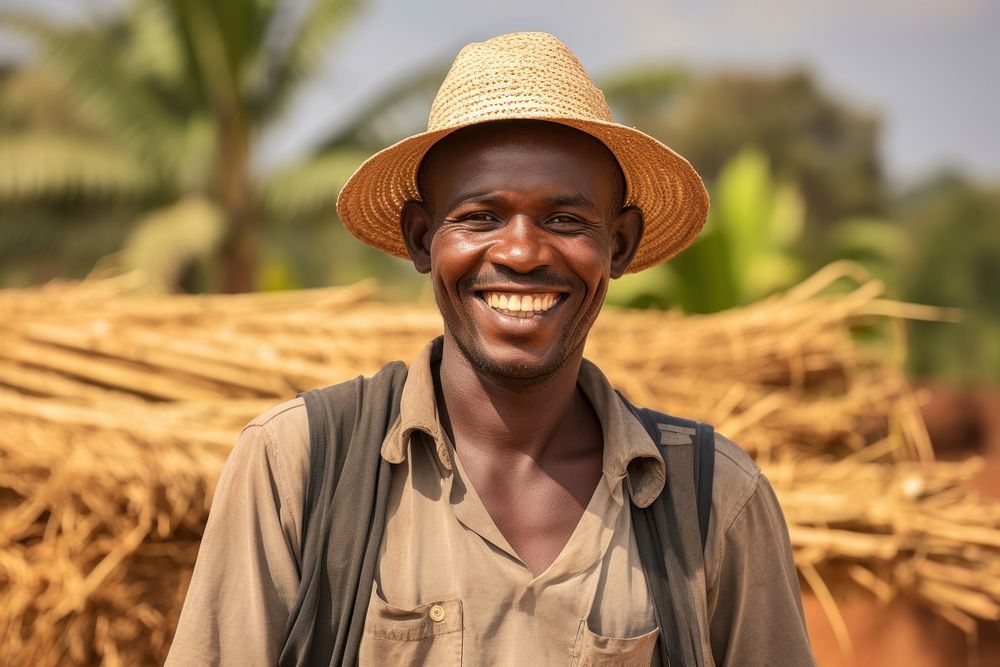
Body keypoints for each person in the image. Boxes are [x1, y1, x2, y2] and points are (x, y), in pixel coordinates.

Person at [167, 32, 814, 666]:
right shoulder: (300, 468)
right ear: (423, 238)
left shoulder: (712, 501)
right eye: (480, 216)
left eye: (565, 219)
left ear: (618, 245)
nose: (522, 252)